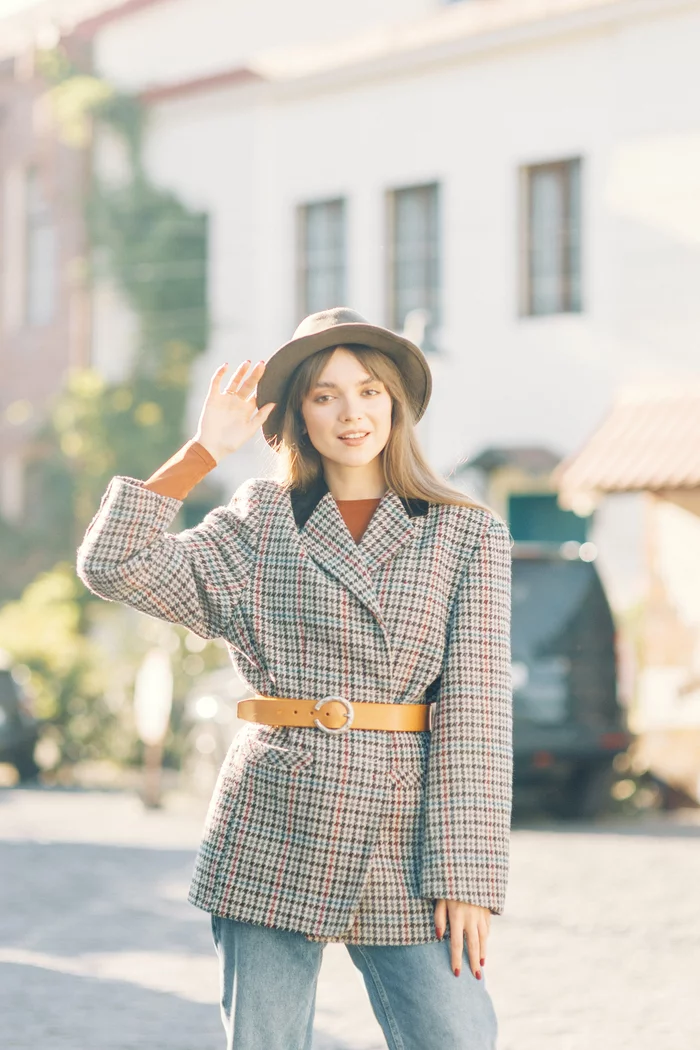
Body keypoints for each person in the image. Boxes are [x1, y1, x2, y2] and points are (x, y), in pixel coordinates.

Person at [77, 307, 513, 1050]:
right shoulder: (257, 522)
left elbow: (477, 711)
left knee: (457, 1036)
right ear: (297, 416)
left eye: (371, 391)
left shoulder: (464, 531)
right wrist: (202, 452)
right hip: (275, 814)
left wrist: (468, 873)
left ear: (396, 405)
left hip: (403, 834)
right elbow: (113, 565)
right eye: (326, 395)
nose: (352, 412)